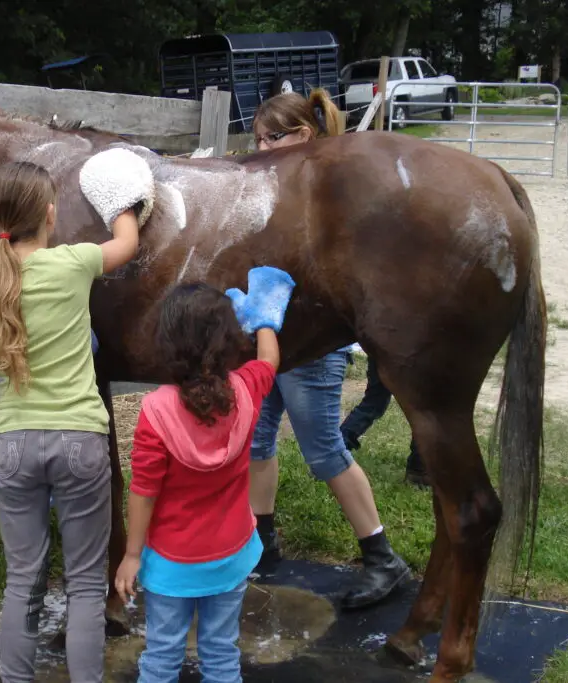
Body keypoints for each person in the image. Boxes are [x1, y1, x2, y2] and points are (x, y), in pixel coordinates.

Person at [0, 153, 150, 683]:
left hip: (13, 444)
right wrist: (124, 201)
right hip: (81, 439)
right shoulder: (73, 262)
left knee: (23, 579)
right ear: (49, 214)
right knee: (88, 584)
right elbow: (128, 244)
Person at [248, 89, 411, 611]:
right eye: (254, 141)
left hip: (313, 344)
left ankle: (383, 558)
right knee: (256, 437)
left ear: (304, 136)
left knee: (323, 451)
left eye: (271, 139)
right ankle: (262, 540)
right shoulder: (277, 188)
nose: (260, 150)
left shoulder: (327, 195)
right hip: (272, 339)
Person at [114, 268, 294, 683]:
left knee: (161, 657)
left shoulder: (156, 412)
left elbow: (143, 490)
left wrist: (132, 554)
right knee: (220, 653)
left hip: (171, 565)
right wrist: (265, 316)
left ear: (167, 343)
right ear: (230, 339)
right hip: (231, 556)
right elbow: (269, 360)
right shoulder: (247, 389)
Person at [340, 354, 430, 488]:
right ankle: (418, 472)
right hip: (413, 348)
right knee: (424, 409)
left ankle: (335, 452)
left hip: (381, 344)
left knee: (373, 403)